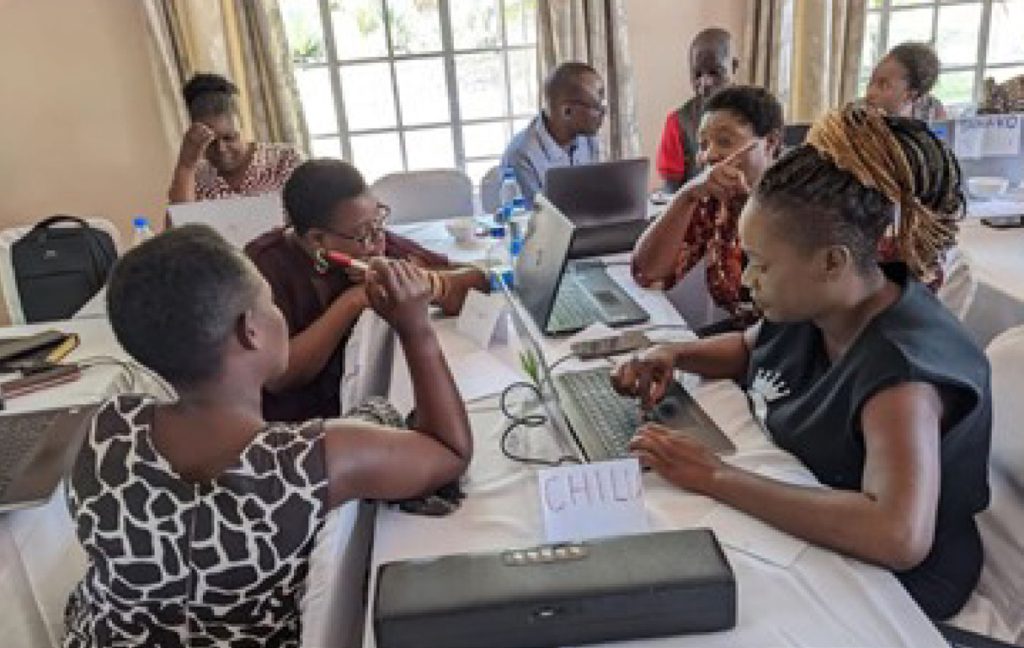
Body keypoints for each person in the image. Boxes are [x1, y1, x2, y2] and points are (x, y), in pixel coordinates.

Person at [614, 104, 990, 620]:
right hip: (815, 502)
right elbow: (749, 349)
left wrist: (714, 475)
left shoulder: (901, 376)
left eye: (761, 265)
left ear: (832, 261)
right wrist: (674, 354)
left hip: (895, 582)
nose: (748, 280)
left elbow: (897, 535)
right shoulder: (818, 301)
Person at [63, 225, 473, 646]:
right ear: (250, 330)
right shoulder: (306, 461)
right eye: (271, 302)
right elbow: (449, 451)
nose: (279, 313)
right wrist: (415, 328)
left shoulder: (106, 428)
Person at [245, 159, 487, 423]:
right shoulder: (264, 265)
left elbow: (480, 282)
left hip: (376, 403)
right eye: (363, 235)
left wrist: (424, 281)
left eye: (379, 221)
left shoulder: (375, 242)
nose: (377, 243)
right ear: (317, 240)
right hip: (303, 425)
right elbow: (279, 376)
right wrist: (353, 300)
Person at [634, 86, 783, 332]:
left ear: (770, 143)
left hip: (791, 346)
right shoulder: (716, 201)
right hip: (744, 340)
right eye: (703, 144)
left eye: (724, 141)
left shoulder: (798, 205)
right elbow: (648, 272)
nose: (709, 155)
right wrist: (687, 195)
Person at [168, 73, 302, 203]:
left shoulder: (285, 161)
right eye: (210, 142)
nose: (221, 149)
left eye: (229, 138)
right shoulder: (195, 178)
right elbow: (181, 218)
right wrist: (185, 166)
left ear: (241, 125)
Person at [500, 61, 604, 206]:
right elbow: (535, 217)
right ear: (567, 111)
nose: (603, 112)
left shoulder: (588, 140)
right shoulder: (522, 155)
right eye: (597, 106)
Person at [657, 28, 739, 192]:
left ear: (734, 66)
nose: (705, 83)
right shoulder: (677, 122)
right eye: (697, 74)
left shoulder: (758, 114)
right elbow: (670, 191)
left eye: (715, 72)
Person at [865, 42, 948, 121]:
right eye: (871, 81)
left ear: (910, 96)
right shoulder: (861, 116)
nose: (870, 92)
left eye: (884, 86)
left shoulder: (933, 111)